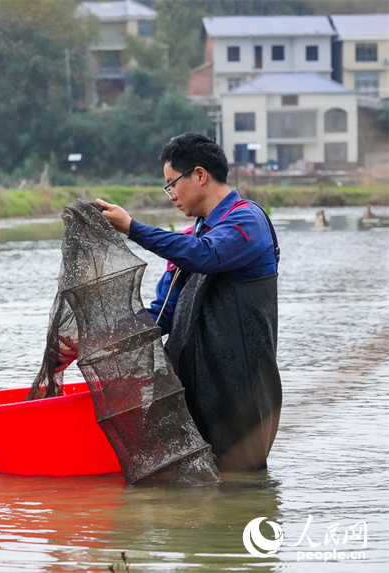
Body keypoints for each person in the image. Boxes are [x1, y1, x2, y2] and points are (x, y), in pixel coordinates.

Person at [95, 133, 282, 471]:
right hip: (190, 389)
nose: (171, 196)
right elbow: (162, 314)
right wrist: (105, 341)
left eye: (171, 184)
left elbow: (206, 255)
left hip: (239, 396)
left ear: (199, 175)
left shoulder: (247, 222)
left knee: (240, 485)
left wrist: (133, 228)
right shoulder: (190, 239)